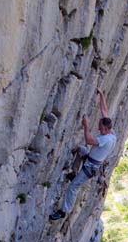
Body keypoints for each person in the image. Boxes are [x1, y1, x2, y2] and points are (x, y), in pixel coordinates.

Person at [49, 88, 116, 221]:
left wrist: (86, 126)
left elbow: (89, 140)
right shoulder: (111, 133)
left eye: (101, 128)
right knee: (80, 150)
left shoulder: (106, 139)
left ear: (107, 129)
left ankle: (63, 211)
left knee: (73, 187)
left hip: (90, 167)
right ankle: (74, 171)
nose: (99, 129)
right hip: (90, 159)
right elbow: (104, 111)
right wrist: (102, 94)